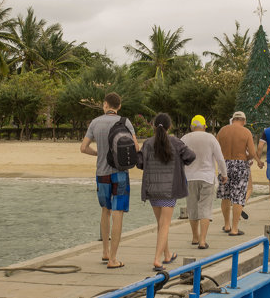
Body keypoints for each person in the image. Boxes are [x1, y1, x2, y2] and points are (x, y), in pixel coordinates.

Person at [80, 92, 139, 269]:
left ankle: (105, 251)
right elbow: (135, 147)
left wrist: (98, 153)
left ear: (105, 105)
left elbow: (83, 148)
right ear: (119, 106)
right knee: (117, 212)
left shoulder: (95, 122)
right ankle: (113, 259)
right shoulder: (125, 122)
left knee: (105, 210)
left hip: (101, 174)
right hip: (120, 173)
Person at [137, 113, 195, 270]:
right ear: (170, 127)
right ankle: (157, 259)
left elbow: (140, 163)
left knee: (161, 224)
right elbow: (191, 156)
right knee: (165, 225)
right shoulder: (175, 142)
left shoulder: (148, 143)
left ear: (154, 126)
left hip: (153, 190)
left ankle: (167, 254)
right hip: (169, 190)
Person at [181, 115, 227, 250]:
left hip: (189, 177)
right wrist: (224, 174)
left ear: (191, 127)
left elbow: (179, 158)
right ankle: (202, 241)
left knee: (192, 207)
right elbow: (220, 158)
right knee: (205, 208)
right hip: (207, 177)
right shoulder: (211, 138)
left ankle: (195, 237)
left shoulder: (184, 138)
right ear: (205, 126)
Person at [215, 110, 263, 236]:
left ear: (233, 119)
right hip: (240, 165)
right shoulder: (246, 132)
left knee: (225, 196)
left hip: (224, 164)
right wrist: (246, 159)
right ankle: (235, 229)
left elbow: (216, 149)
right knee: (238, 196)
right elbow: (252, 153)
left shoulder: (222, 131)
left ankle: (226, 225)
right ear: (243, 120)